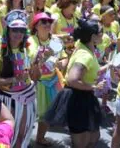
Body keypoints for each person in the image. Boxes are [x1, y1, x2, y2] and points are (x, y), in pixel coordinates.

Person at [45, 19, 105, 148]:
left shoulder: (83, 46)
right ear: (93, 36)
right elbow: (72, 79)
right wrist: (93, 86)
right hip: (78, 99)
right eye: (101, 32)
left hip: (84, 96)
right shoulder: (85, 56)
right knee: (82, 142)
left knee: (93, 138)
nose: (103, 34)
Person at [0, 10, 40, 148]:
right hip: (6, 100)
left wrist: (37, 65)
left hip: (27, 97)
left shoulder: (29, 51)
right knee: (7, 137)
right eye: (14, 30)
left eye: (22, 30)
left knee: (22, 135)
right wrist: (14, 79)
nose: (18, 34)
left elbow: (36, 77)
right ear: (8, 31)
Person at [28, 12, 63, 146]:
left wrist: (62, 63)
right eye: (43, 22)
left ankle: (40, 138)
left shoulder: (56, 40)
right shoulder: (30, 41)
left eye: (49, 22)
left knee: (48, 113)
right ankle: (22, 139)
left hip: (52, 81)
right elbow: (29, 63)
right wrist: (41, 57)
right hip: (35, 82)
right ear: (35, 26)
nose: (48, 24)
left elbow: (64, 57)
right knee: (31, 115)